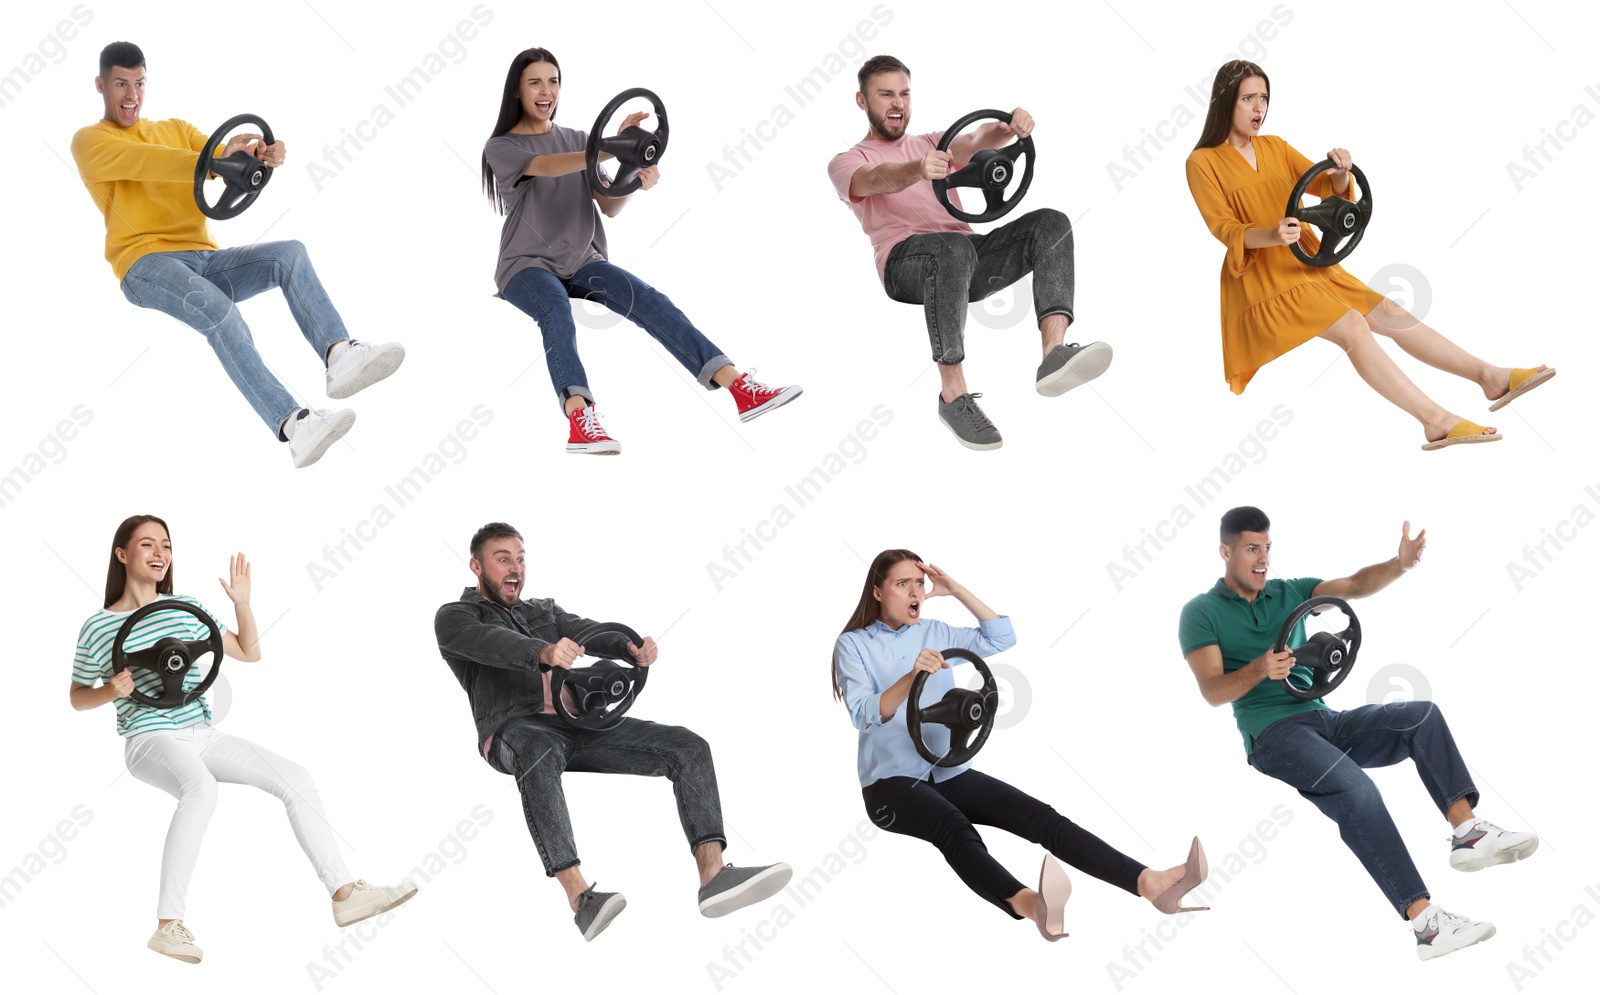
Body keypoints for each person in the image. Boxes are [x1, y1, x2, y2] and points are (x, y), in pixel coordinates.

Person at [1179, 506, 1539, 960]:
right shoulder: (1201, 612)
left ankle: (1467, 832)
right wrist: (1258, 668)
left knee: (1421, 716)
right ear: (1225, 551)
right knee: (1357, 789)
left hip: (1322, 719)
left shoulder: (1290, 592)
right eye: (1252, 548)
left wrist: (1399, 565)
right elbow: (1212, 690)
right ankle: (1426, 924)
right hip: (1272, 734)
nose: (1263, 558)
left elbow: (1350, 586)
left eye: (1268, 547)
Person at [70, 515, 416, 963]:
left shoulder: (187, 609)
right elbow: (78, 697)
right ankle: (167, 925)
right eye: (148, 545)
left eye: (167, 547)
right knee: (202, 788)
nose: (160, 555)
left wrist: (242, 604)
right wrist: (108, 691)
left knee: (295, 777)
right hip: (146, 736)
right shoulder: (97, 626)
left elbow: (249, 652)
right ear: (122, 554)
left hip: (200, 732)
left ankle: (345, 894)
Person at [434, 522, 791, 940]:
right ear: (476, 566)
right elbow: (492, 642)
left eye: (521, 558)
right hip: (516, 729)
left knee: (688, 746)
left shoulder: (541, 610)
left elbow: (586, 630)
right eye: (503, 559)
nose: (515, 567)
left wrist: (630, 648)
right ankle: (581, 899)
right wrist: (544, 652)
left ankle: (713, 876)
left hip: (576, 725)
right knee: (539, 749)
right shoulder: (456, 616)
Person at [833, 550, 1205, 940]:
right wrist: (912, 675)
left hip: (947, 771)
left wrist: (957, 590)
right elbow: (863, 714)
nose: (916, 592)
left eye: (920, 583)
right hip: (891, 786)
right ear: (877, 591)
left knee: (1040, 817)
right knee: (953, 827)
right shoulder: (853, 645)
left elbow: (1001, 637)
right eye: (902, 583)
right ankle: (1033, 905)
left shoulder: (935, 631)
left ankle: (1150, 883)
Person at [1184, 60, 1555, 451]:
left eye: (1263, 97)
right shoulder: (1201, 163)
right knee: (1353, 326)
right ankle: (1436, 420)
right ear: (1226, 102)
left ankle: (1490, 376)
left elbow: (1325, 184)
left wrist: (1342, 171)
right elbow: (1223, 228)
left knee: (1389, 311)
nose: (1259, 108)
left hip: (1308, 261)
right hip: (1261, 279)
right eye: (1248, 99)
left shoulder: (1273, 146)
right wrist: (1272, 234)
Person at [70, 42, 405, 469]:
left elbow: (219, 159)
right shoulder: (90, 141)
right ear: (101, 85)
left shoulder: (173, 127)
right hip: (145, 263)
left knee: (290, 254)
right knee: (220, 312)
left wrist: (256, 157)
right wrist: (214, 159)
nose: (131, 94)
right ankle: (293, 423)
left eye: (139, 83)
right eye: (121, 84)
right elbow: (148, 162)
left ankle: (338, 354)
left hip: (205, 259)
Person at [481, 48, 802, 455]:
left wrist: (633, 169)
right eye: (535, 82)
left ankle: (740, 388)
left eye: (554, 80)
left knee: (650, 301)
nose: (547, 91)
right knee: (555, 308)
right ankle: (581, 421)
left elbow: (609, 204)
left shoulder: (580, 139)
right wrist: (613, 145)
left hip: (583, 259)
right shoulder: (501, 146)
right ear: (517, 91)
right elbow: (546, 166)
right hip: (525, 265)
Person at [828, 55, 1114, 451]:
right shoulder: (848, 160)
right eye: (886, 94)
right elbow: (874, 179)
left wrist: (1007, 127)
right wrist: (917, 170)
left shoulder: (934, 143)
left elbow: (977, 141)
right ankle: (953, 396)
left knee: (1052, 223)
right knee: (951, 246)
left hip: (967, 257)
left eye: (905, 94)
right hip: (904, 266)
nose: (898, 103)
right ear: (862, 101)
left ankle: (1054, 354)